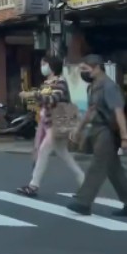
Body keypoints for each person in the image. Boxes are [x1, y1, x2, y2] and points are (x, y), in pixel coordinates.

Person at [67, 54, 127, 217]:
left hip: (107, 131)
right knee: (113, 170)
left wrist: (124, 138)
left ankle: (83, 201)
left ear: (97, 67)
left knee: (98, 165)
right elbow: (91, 111)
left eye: (85, 69)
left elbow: (118, 112)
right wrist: (78, 129)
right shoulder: (93, 86)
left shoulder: (109, 86)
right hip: (97, 129)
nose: (83, 73)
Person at [16, 55, 84, 197]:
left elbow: (54, 99)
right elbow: (44, 102)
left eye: (44, 64)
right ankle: (84, 182)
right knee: (63, 154)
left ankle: (33, 185)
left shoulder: (61, 82)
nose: (42, 67)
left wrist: (33, 94)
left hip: (57, 122)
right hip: (47, 122)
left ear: (51, 66)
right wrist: (35, 98)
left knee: (43, 150)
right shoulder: (46, 83)